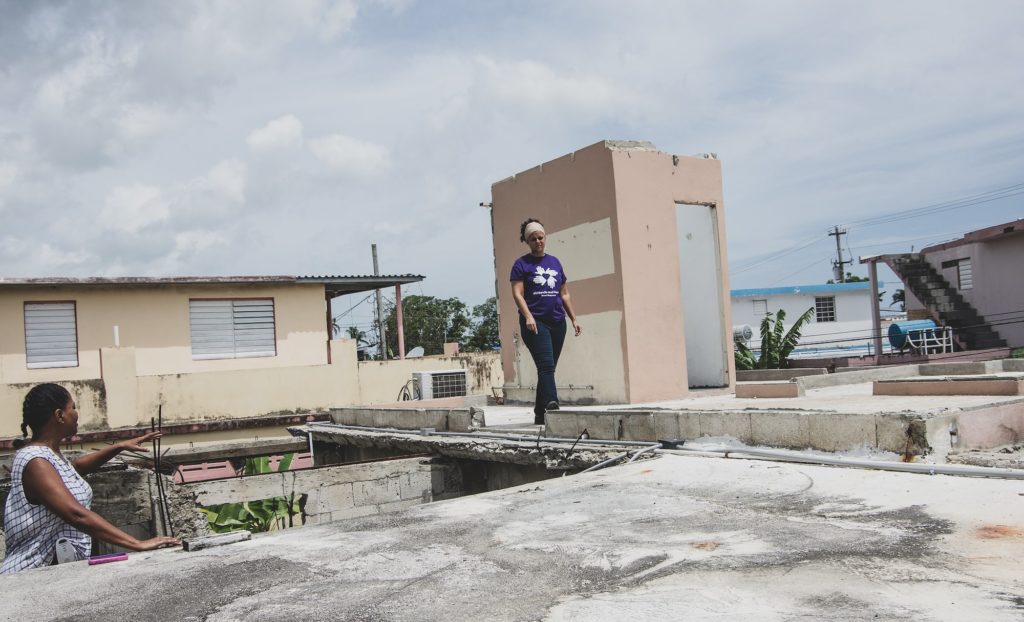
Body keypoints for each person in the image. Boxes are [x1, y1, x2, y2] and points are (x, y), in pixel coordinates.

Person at [1, 383, 180, 573]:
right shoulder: (36, 461)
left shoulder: (49, 455)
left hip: (53, 572)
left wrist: (119, 447)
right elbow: (75, 514)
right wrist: (137, 543)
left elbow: (75, 467)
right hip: (31, 573)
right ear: (59, 415)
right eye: (74, 408)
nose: (77, 414)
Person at [510, 218, 582, 425]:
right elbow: (517, 293)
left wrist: (574, 319)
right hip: (536, 323)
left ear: (545, 237)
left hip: (558, 323)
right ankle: (552, 404)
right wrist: (528, 316)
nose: (538, 241)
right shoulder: (521, 264)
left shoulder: (555, 262)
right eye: (533, 239)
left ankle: (539, 413)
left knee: (547, 368)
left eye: (540, 237)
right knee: (546, 366)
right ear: (527, 241)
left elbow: (565, 294)